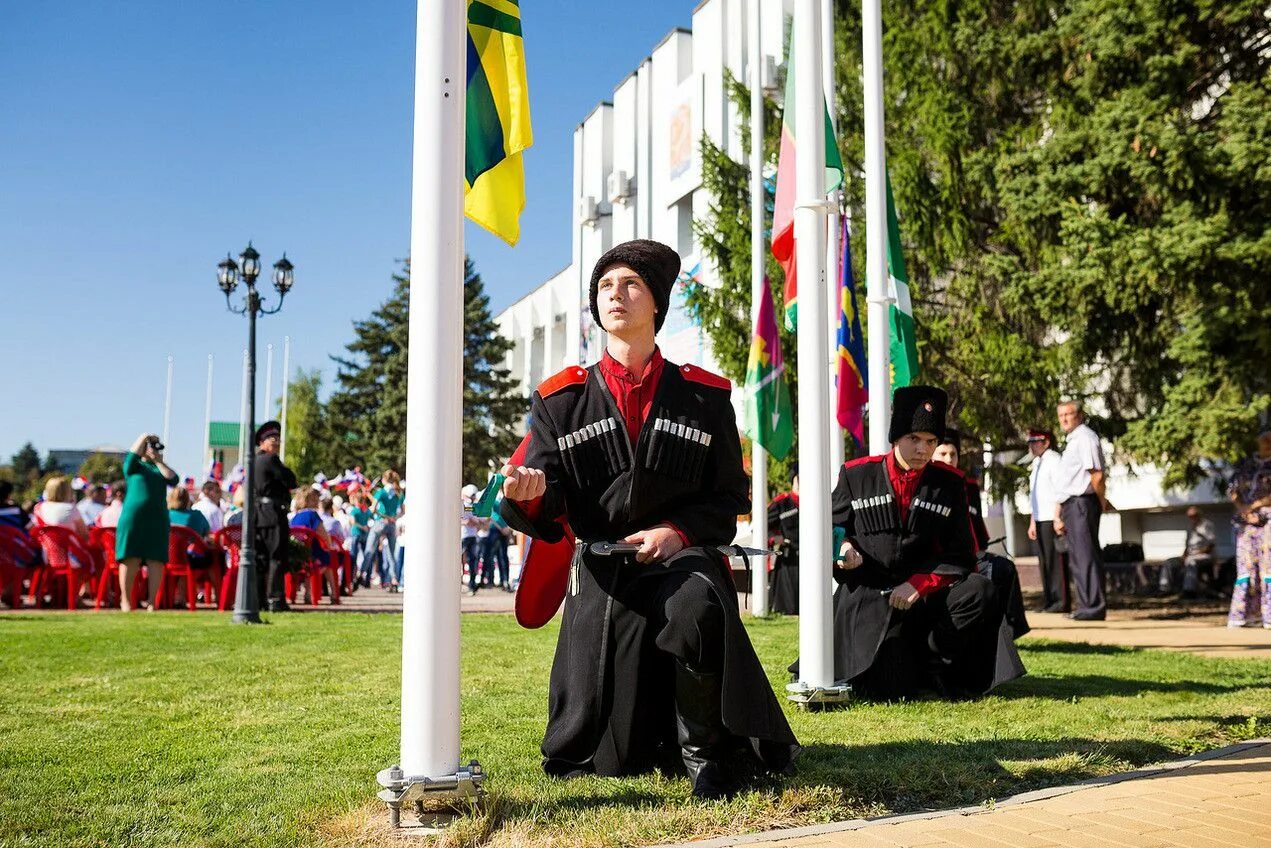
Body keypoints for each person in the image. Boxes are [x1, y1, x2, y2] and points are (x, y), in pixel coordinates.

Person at [500, 239, 797, 799]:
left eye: (631, 284)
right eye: (606, 286)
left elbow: (728, 496)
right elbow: (546, 499)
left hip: (682, 558)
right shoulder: (559, 400)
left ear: (656, 304)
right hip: (607, 575)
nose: (616, 294)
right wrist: (530, 494)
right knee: (617, 757)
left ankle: (704, 755)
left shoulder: (705, 397)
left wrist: (677, 532)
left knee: (696, 603)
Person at [804, 386, 1014, 701]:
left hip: (923, 596)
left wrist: (919, 584)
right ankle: (904, 664)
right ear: (896, 437)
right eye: (914, 439)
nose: (922, 450)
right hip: (871, 597)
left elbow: (961, 552)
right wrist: (844, 549)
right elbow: (832, 527)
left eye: (931, 442)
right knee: (890, 688)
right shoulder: (857, 475)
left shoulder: (951, 483)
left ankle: (935, 660)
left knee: (979, 590)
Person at [933, 430, 1030, 640]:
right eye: (943, 454)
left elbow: (977, 526)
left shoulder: (969, 487)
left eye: (953, 454)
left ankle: (1009, 634)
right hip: (946, 559)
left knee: (1004, 568)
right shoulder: (930, 487)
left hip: (973, 554)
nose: (949, 459)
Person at [1053, 400, 1112, 621]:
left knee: (1086, 555)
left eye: (1068, 414)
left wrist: (1101, 501)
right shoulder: (1072, 441)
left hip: (1082, 503)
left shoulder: (1086, 438)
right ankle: (1086, 605)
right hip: (1072, 504)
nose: (1064, 419)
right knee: (1078, 557)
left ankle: (1093, 607)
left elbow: (1096, 474)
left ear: (1079, 415)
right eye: (1061, 415)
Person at [116, 433, 179, 611]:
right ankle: (126, 601)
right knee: (130, 558)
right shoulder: (134, 467)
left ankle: (152, 601)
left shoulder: (158, 469)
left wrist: (158, 461)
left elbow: (173, 479)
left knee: (156, 559)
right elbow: (130, 457)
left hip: (157, 520)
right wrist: (144, 437)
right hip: (133, 519)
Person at [1227, 429, 1271, 628]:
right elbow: (1233, 490)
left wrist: (1256, 505)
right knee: (1246, 566)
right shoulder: (1246, 466)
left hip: (1268, 519)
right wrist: (1244, 509)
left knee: (1268, 565)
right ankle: (1246, 615)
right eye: (1265, 440)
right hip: (1246, 522)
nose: (1268, 443)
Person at [253, 421, 298, 612]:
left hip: (260, 514)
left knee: (262, 557)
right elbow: (291, 479)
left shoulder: (255, 461)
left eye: (278, 439)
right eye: (273, 439)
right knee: (276, 556)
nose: (277, 443)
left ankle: (260, 599)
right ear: (262, 442)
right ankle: (275, 599)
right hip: (272, 513)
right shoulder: (270, 460)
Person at [1025, 429, 1068, 612]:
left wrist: (1058, 517)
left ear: (1046, 442)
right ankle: (1050, 600)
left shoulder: (1054, 460)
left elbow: (1061, 491)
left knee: (1056, 562)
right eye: (1030, 442)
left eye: (1036, 441)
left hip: (1052, 517)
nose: (1032, 445)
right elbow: (1035, 496)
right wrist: (1032, 521)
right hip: (1040, 518)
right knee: (1044, 562)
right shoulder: (1036, 463)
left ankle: (1061, 601)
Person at [290, 487, 338, 603]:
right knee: (328, 562)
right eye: (315, 498)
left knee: (310, 564)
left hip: (297, 553)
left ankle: (307, 593)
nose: (318, 501)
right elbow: (323, 533)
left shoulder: (295, 517)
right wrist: (329, 545)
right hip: (313, 554)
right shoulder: (312, 514)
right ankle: (334, 594)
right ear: (310, 500)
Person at [1159, 506, 1216, 597]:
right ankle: (1165, 588)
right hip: (1190, 555)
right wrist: (1183, 556)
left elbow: (1211, 545)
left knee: (1191, 562)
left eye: (1194, 515)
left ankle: (1189, 591)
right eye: (1190, 516)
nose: (1192, 518)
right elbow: (1188, 546)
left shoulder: (1207, 525)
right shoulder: (1190, 527)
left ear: (1199, 515)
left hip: (1203, 556)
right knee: (1169, 562)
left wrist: (1195, 554)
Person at [361, 470, 402, 592]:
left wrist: (382, 515)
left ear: (384, 479)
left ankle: (361, 574)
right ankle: (394, 580)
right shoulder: (398, 493)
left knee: (370, 549)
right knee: (391, 554)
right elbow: (402, 511)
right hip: (392, 525)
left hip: (380, 522)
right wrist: (393, 518)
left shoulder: (381, 492)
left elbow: (373, 509)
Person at [766, 468, 800, 615]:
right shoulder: (782, 504)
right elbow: (760, 528)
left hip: (812, 560)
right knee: (789, 609)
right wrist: (775, 538)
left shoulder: (817, 502)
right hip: (789, 561)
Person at [461, 485, 484, 595]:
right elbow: (461, 519)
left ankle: (472, 585)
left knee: (472, 561)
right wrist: (468, 521)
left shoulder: (472, 507)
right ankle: (461, 583)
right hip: (463, 536)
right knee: (460, 561)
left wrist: (473, 522)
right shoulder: (463, 505)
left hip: (472, 537)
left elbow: (479, 521)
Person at [350, 494, 374, 587]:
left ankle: (352, 578)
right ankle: (367, 581)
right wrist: (366, 526)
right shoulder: (366, 511)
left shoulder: (354, 510)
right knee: (367, 557)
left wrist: (362, 526)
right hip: (364, 534)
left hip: (356, 533)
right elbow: (372, 519)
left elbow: (353, 522)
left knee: (354, 557)